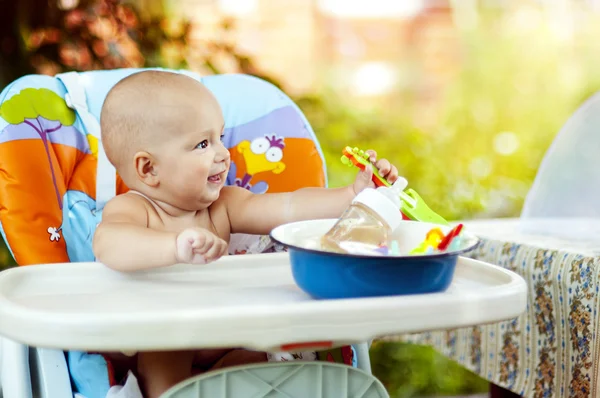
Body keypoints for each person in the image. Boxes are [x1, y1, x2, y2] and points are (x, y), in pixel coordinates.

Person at [93, 70, 399, 398]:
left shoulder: (224, 205)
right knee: (166, 351)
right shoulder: (134, 209)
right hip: (164, 338)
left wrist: (351, 195)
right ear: (148, 169)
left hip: (227, 339)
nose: (223, 154)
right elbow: (109, 243)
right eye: (202, 144)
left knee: (261, 362)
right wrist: (175, 247)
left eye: (219, 138)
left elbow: (289, 206)